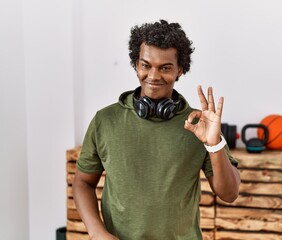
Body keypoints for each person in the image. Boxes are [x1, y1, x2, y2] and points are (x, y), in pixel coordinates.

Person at [73, 19, 241, 240]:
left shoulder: (198, 124)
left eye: (165, 68)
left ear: (180, 69)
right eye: (146, 65)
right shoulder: (105, 120)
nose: (153, 76)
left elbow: (229, 194)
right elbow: (83, 182)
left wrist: (214, 144)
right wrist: (97, 232)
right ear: (136, 64)